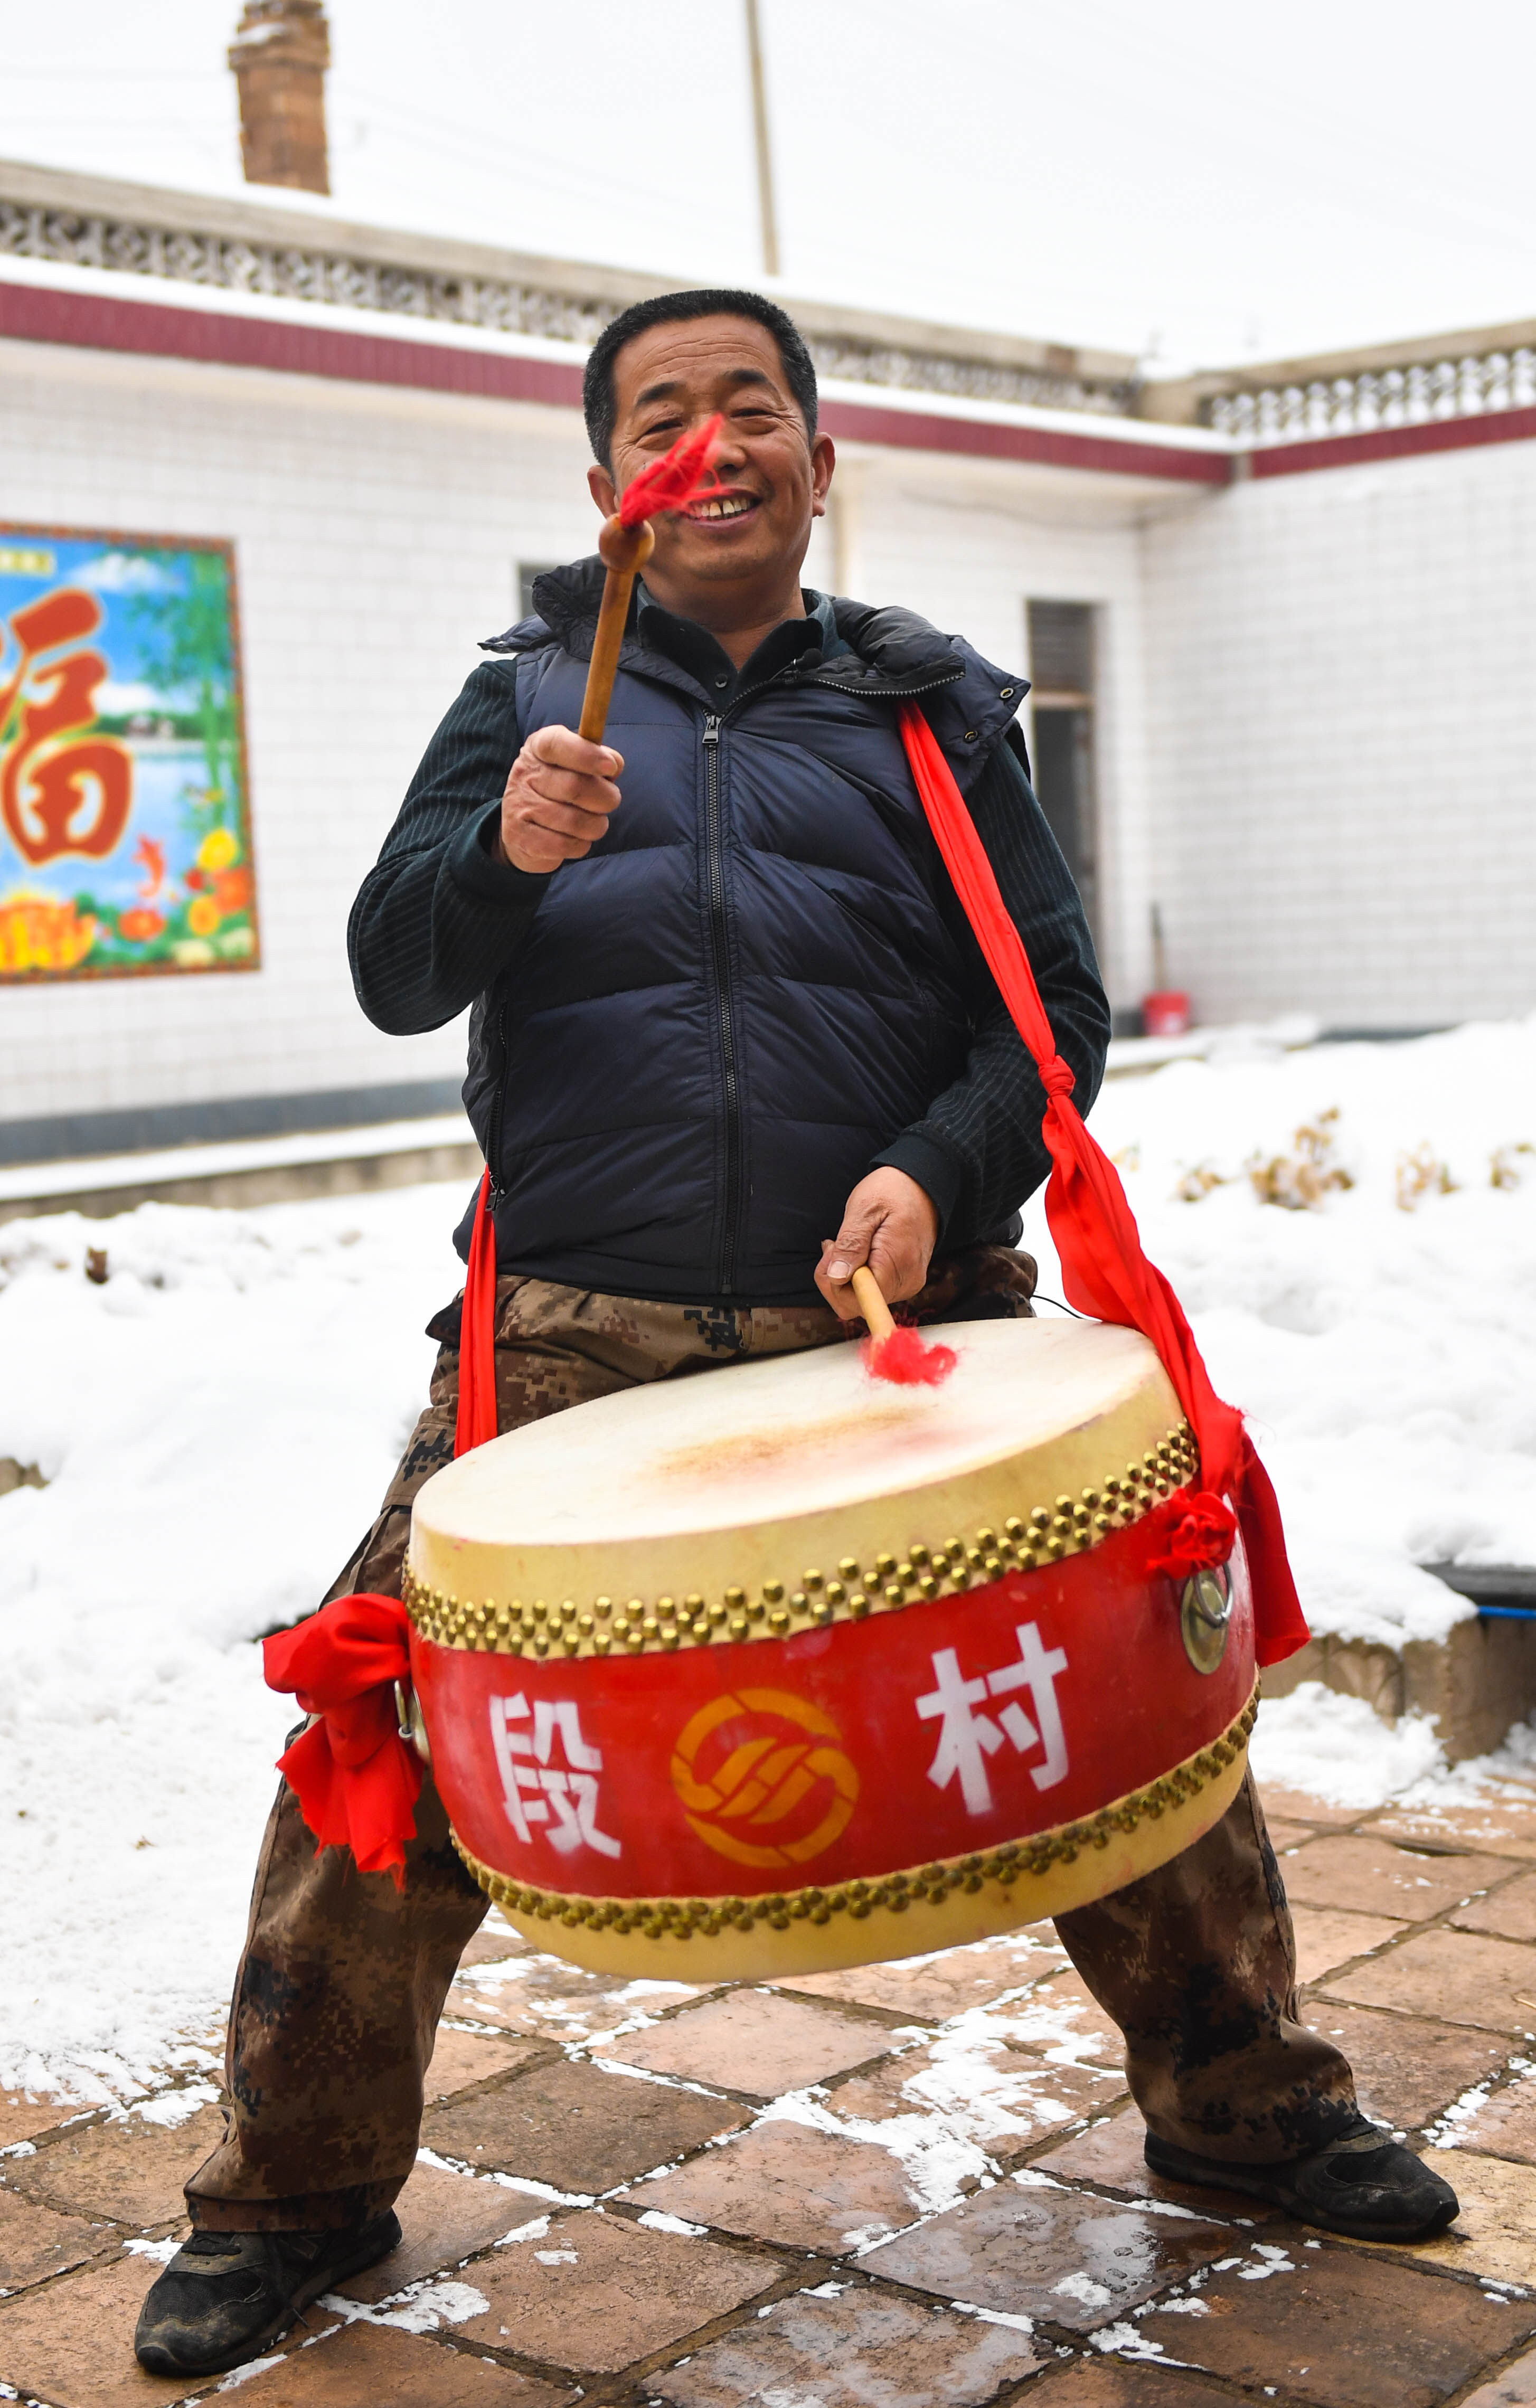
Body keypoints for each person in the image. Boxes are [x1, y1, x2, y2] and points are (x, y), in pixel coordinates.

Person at [135, 288, 1456, 2379]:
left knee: (1114, 1705)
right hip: (574, 1321)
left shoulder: (930, 710)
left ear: (818, 465)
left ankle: (1246, 2107)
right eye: (664, 413)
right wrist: (499, 855)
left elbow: (1048, 1021)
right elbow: (398, 971)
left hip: (901, 1319)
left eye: (753, 405)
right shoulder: (516, 705)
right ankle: (287, 2197)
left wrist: (939, 1170)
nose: (712, 437)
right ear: (609, 492)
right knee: (382, 1750)